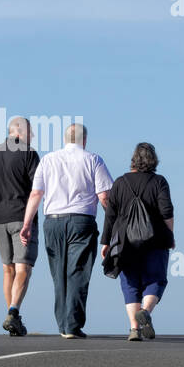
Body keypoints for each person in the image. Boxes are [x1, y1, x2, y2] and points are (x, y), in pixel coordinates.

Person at [19, 123, 112, 338]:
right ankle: (72, 324)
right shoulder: (93, 160)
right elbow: (105, 195)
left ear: (65, 139)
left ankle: (62, 323)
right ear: (84, 140)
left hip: (53, 221)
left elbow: (36, 194)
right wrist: (114, 219)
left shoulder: (48, 160)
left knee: (58, 272)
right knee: (78, 271)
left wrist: (26, 224)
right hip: (82, 221)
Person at [100, 142, 174, 341]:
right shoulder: (159, 182)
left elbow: (111, 215)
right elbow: (167, 212)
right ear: (154, 160)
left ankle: (134, 329)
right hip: (155, 239)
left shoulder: (120, 182)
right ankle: (146, 311)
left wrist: (106, 242)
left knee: (130, 283)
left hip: (125, 242)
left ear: (133, 159)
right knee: (156, 279)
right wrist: (170, 236)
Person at [0, 117, 40, 336]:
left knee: (7, 269)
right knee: (24, 267)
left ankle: (11, 316)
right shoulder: (28, 153)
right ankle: (13, 312)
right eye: (30, 132)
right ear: (20, 132)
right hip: (21, 217)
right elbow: (37, 188)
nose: (32, 136)